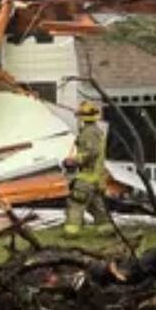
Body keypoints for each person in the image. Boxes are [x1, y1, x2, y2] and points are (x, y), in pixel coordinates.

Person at [64, 101, 109, 236]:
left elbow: (92, 152)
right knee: (96, 206)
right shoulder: (96, 131)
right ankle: (106, 230)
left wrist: (75, 160)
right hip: (96, 176)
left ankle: (71, 232)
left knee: (75, 203)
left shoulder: (89, 132)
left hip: (87, 176)